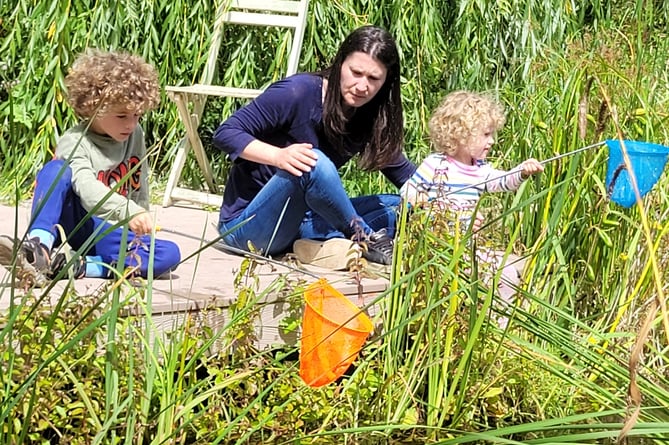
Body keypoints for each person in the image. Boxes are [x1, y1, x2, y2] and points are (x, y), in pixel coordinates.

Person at [212, 25, 416, 269]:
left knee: (401, 205)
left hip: (304, 220)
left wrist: (455, 204)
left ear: (386, 82)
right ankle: (365, 239)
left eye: (373, 79)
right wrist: (278, 156)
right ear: (340, 64)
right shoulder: (297, 93)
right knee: (313, 162)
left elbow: (408, 177)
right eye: (356, 72)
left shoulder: (370, 114)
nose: (362, 86)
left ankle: (320, 246)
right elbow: (226, 133)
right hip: (247, 228)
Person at [0, 49, 180, 286]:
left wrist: (140, 219)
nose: (130, 124)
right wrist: (129, 210)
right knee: (56, 171)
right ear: (93, 107)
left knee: (169, 254)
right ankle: (39, 248)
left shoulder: (135, 134)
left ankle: (77, 267)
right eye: (122, 115)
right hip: (78, 221)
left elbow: (139, 183)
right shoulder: (75, 141)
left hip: (109, 231)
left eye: (137, 115)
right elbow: (85, 187)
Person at [401, 90, 544, 325]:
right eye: (486, 134)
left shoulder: (480, 170)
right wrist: (437, 211)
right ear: (461, 135)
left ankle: (498, 323)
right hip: (439, 247)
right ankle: (489, 321)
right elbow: (408, 193)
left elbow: (503, 181)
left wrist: (522, 171)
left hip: (467, 246)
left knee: (508, 272)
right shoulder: (435, 165)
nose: (492, 141)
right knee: (496, 273)